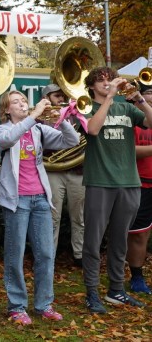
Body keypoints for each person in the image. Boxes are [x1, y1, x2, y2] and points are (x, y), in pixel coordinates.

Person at [0, 90, 80, 325]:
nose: (22, 104)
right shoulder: (1, 129)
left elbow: (70, 141)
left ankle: (44, 304)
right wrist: (35, 116)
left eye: (24, 100)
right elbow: (6, 141)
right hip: (16, 199)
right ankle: (17, 306)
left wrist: (62, 119)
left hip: (41, 197)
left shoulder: (38, 129)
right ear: (6, 110)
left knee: (45, 253)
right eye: (16, 102)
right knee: (15, 254)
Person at [81, 66, 152, 313]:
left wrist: (141, 100)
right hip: (100, 181)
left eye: (110, 79)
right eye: (100, 80)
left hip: (129, 182)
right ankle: (91, 293)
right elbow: (92, 129)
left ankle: (116, 290)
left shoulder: (127, 108)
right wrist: (110, 98)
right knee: (92, 241)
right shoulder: (85, 106)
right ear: (91, 86)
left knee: (120, 240)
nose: (106, 82)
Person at [40, 83, 85, 268]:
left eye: (62, 95)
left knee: (79, 216)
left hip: (77, 171)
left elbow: (86, 137)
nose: (61, 98)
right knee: (52, 216)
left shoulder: (77, 113)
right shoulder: (41, 118)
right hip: (53, 171)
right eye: (56, 95)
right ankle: (48, 255)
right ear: (47, 98)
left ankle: (80, 255)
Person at [127, 83, 152, 294]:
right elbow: (127, 151)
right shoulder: (132, 119)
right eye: (148, 93)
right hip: (141, 183)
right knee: (139, 235)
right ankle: (136, 277)